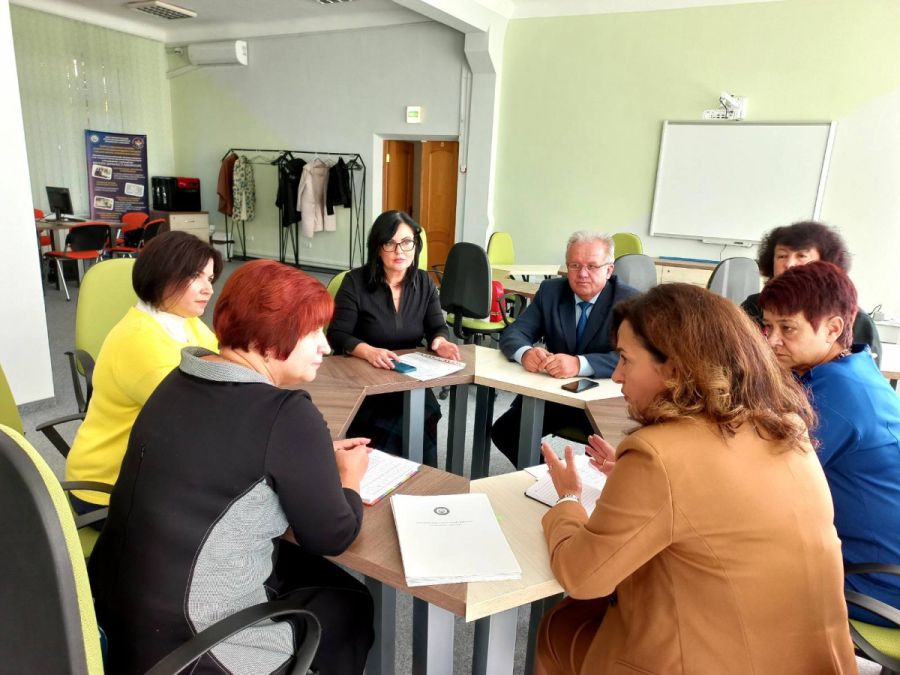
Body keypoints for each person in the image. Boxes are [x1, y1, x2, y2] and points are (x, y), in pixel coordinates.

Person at [535, 283, 856, 675]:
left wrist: (568, 499)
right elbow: (722, 502)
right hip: (815, 661)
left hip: (713, 662)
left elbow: (583, 577)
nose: (616, 375)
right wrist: (635, 481)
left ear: (674, 367)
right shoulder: (787, 427)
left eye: (625, 360)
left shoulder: (658, 454)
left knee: (560, 626)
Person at [88, 260, 374, 674]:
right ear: (270, 338)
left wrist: (308, 455)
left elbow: (222, 449)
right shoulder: (287, 414)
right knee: (350, 604)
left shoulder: (177, 380)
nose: (325, 347)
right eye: (313, 332)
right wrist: (350, 476)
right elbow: (331, 536)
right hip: (191, 646)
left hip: (110, 618)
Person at [759, 261, 900, 627]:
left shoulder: (838, 394)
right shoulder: (848, 369)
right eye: (768, 326)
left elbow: (760, 482)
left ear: (833, 329)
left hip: (874, 585)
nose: (771, 340)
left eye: (787, 328)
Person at [65, 231, 221, 513]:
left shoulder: (184, 320)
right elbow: (198, 418)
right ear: (161, 274)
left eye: (209, 279)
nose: (208, 289)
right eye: (195, 276)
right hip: (108, 490)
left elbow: (223, 363)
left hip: (153, 472)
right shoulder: (139, 341)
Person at [490, 231, 639, 466]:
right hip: (554, 396)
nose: (582, 274)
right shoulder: (551, 291)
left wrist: (579, 364)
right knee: (505, 432)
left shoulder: (630, 301)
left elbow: (635, 358)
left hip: (604, 400)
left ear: (609, 270)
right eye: (574, 265)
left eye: (592, 266)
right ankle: (554, 477)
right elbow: (514, 333)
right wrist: (525, 353)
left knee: (614, 455)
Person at [327, 210, 459, 463]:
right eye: (390, 243)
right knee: (387, 425)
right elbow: (337, 334)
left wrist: (439, 341)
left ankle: (420, 479)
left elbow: (437, 327)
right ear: (378, 247)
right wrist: (368, 351)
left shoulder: (424, 282)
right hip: (364, 379)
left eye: (407, 242)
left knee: (422, 413)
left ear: (415, 246)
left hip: (407, 376)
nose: (400, 251)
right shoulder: (355, 282)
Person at [741, 220, 881, 361]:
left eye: (801, 256)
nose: (789, 264)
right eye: (782, 256)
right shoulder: (753, 306)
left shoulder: (858, 320)